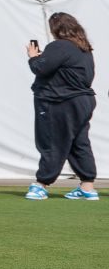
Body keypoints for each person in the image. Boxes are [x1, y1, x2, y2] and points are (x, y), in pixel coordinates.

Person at [25, 12, 98, 201]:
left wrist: (33, 57)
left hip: (59, 101)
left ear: (55, 29)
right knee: (79, 143)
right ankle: (87, 186)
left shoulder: (59, 46)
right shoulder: (84, 48)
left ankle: (41, 184)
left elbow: (40, 68)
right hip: (83, 101)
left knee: (51, 140)